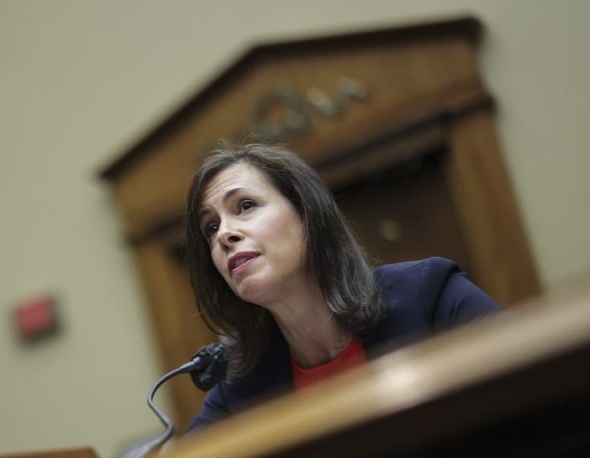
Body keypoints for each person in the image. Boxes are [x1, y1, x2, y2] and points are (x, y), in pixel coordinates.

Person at [184, 143, 502, 432]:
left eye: (246, 205)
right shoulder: (240, 385)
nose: (224, 234)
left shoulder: (427, 294)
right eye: (211, 227)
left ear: (306, 213)